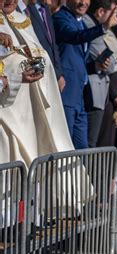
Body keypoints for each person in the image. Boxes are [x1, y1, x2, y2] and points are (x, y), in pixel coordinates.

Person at [0, 0, 75, 166]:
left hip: (32, 108)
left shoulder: (21, 20)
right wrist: (15, 77)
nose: (10, 1)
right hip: (6, 111)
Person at [52, 0, 117, 149]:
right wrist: (104, 27)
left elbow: (80, 60)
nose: (83, 2)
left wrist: (95, 66)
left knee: (83, 148)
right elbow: (75, 36)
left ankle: (78, 173)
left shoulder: (81, 23)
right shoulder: (60, 18)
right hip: (66, 92)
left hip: (80, 95)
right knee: (64, 145)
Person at [23, 0, 65, 92]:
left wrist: (58, 74)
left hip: (51, 75)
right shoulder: (26, 8)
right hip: (37, 75)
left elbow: (53, 44)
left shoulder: (45, 8)